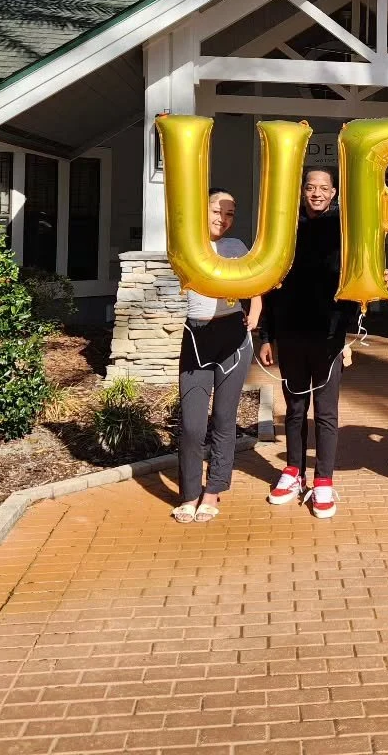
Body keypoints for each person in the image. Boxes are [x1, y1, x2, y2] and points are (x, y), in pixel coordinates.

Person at [257, 167, 388, 519]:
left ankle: (323, 480)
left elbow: (359, 278)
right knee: (295, 409)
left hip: (329, 335)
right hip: (289, 333)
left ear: (334, 193)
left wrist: (347, 335)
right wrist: (266, 335)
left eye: (324, 188)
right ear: (302, 191)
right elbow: (270, 286)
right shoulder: (284, 229)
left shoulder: (345, 230)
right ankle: (292, 472)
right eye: (310, 187)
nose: (317, 193)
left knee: (327, 412)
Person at [172, 188, 260, 524]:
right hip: (197, 337)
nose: (223, 219)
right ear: (201, 210)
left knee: (224, 420)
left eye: (230, 213)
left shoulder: (236, 247)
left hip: (233, 338)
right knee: (193, 426)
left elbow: (255, 283)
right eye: (216, 211)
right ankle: (189, 494)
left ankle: (213, 490)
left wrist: (256, 313)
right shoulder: (187, 244)